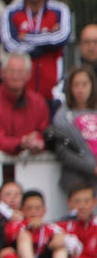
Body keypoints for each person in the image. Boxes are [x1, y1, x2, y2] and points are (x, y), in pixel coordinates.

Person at [0, 0, 71, 103]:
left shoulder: (60, 10)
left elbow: (62, 37)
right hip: (20, 92)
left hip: (53, 90)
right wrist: (47, 40)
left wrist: (27, 37)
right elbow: (10, 45)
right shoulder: (11, 12)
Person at [0, 53, 51, 155]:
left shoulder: (39, 102)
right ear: (2, 73)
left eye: (20, 72)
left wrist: (37, 142)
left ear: (29, 74)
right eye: (11, 71)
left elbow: (44, 132)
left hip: (33, 166)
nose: (15, 76)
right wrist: (20, 143)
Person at [49, 66, 97, 195]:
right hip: (78, 180)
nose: (80, 89)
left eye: (84, 84)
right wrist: (92, 168)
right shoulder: (62, 116)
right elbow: (64, 151)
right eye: (76, 85)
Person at [9, 190, 69, 258]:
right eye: (29, 208)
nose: (33, 212)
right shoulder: (17, 225)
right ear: (22, 210)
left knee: (60, 242)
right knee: (24, 236)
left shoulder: (51, 227)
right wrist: (28, 225)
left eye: (37, 208)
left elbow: (69, 240)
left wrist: (58, 239)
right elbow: (9, 235)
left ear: (44, 210)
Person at [56, 184, 97, 258]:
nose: (82, 206)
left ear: (94, 202)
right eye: (77, 202)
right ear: (69, 203)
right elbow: (54, 243)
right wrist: (66, 239)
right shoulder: (63, 225)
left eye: (86, 201)